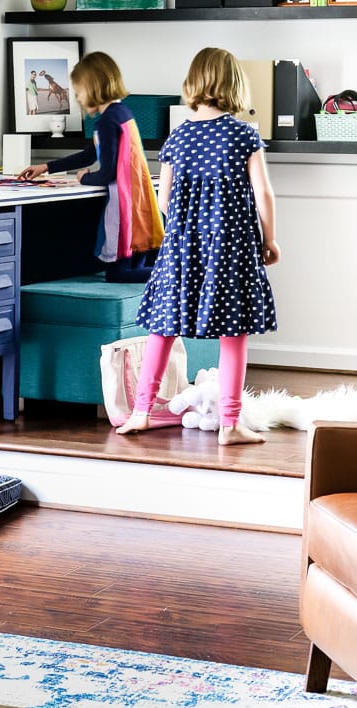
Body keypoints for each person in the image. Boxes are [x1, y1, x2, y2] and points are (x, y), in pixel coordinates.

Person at [116, 47, 280, 445]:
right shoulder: (243, 135)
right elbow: (263, 193)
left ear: (193, 85)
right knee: (234, 334)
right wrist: (269, 239)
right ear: (233, 86)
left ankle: (140, 412)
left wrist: (186, 235)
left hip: (183, 246)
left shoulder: (178, 137)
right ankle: (230, 423)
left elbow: (164, 199)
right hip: (232, 244)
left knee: (163, 328)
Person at [19, 50, 163, 283]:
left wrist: (83, 178)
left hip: (125, 204)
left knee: (118, 273)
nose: (77, 99)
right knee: (134, 265)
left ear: (94, 87)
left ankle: (176, 277)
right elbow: (89, 155)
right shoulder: (121, 113)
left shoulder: (107, 121)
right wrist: (46, 166)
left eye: (78, 93)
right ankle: (170, 276)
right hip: (139, 200)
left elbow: (107, 173)